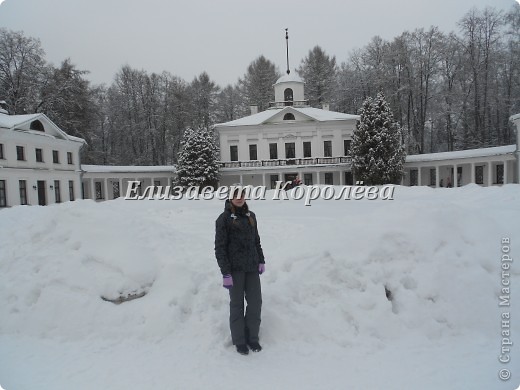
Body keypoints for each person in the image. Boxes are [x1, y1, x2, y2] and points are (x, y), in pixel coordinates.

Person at [214, 185, 265, 355]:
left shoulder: (252, 217)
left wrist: (261, 260)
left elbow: (256, 241)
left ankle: (252, 338)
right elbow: (220, 248)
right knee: (237, 305)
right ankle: (239, 340)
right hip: (234, 269)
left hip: (251, 267)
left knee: (255, 303)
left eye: (242, 195)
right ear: (230, 197)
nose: (239, 198)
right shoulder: (223, 219)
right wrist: (225, 272)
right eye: (235, 195)